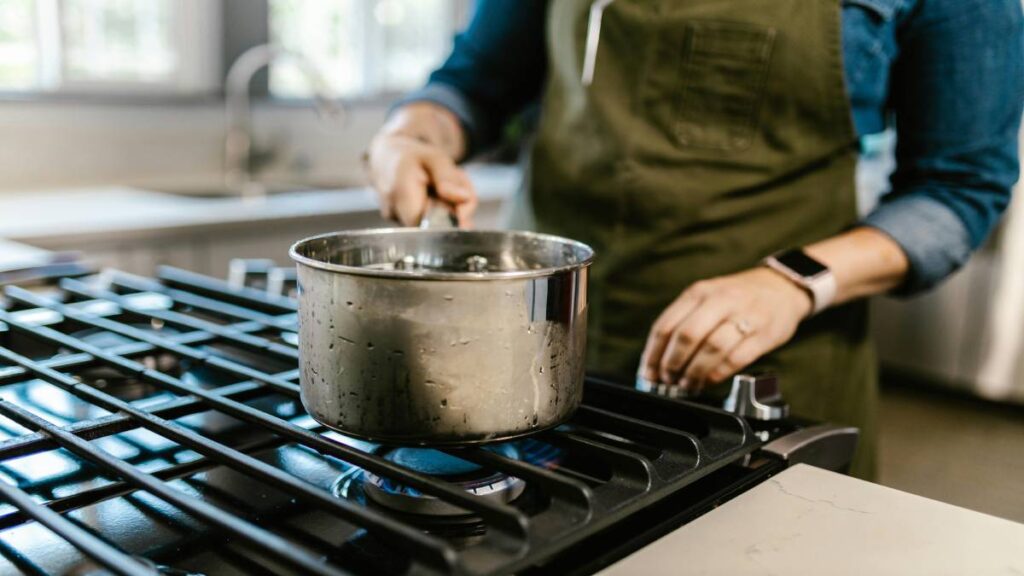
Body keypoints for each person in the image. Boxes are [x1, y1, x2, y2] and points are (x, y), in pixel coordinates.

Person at [365, 0, 1024, 478]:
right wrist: (411, 136)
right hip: (534, 358)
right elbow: (474, 81)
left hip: (763, 379)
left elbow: (959, 187)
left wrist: (792, 281)